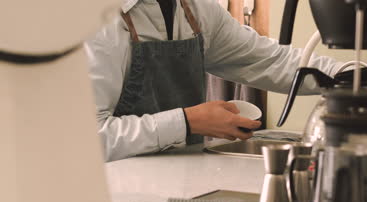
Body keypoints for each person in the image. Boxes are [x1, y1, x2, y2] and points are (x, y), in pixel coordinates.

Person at [84, 0, 345, 162]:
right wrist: (186, 122)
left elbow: (270, 59)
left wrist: (353, 75)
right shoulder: (97, 20)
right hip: (113, 195)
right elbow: (90, 139)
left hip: (183, 179)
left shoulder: (197, 10)